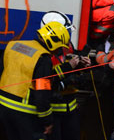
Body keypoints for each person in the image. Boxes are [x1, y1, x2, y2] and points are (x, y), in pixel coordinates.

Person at [0, 21, 70, 140]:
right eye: (60, 47)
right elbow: (42, 95)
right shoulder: (43, 58)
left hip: (3, 106)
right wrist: (47, 121)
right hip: (24, 113)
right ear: (53, 42)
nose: (59, 51)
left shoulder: (14, 45)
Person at [40, 11, 91, 140]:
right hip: (53, 111)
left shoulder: (67, 46)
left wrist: (82, 65)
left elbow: (71, 67)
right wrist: (65, 79)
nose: (68, 34)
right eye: (65, 30)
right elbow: (45, 83)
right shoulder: (43, 54)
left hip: (70, 110)